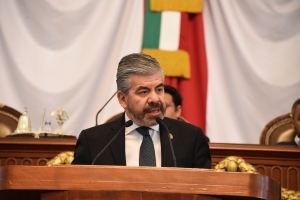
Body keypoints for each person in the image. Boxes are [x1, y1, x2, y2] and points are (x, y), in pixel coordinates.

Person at [72, 53, 211, 168]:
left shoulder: (191, 138)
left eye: (159, 89)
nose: (155, 99)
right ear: (122, 99)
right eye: (144, 92)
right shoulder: (94, 142)